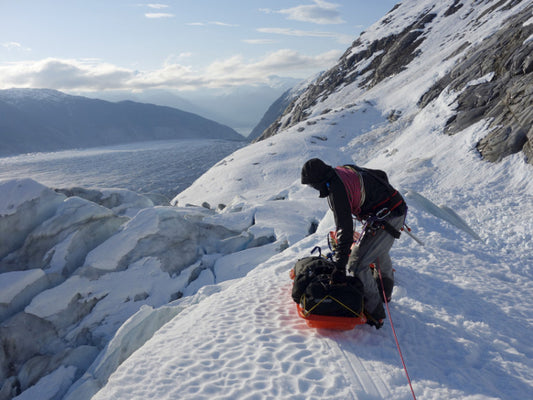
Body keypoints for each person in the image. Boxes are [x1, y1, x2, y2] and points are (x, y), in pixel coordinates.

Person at [301, 158, 407, 329]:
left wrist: (340, 266)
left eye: (313, 185)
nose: (314, 188)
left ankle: (375, 312)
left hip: (387, 216)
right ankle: (383, 294)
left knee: (357, 264)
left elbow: (345, 230)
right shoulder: (340, 170)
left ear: (319, 181)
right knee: (377, 251)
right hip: (390, 210)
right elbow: (380, 175)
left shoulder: (337, 190)